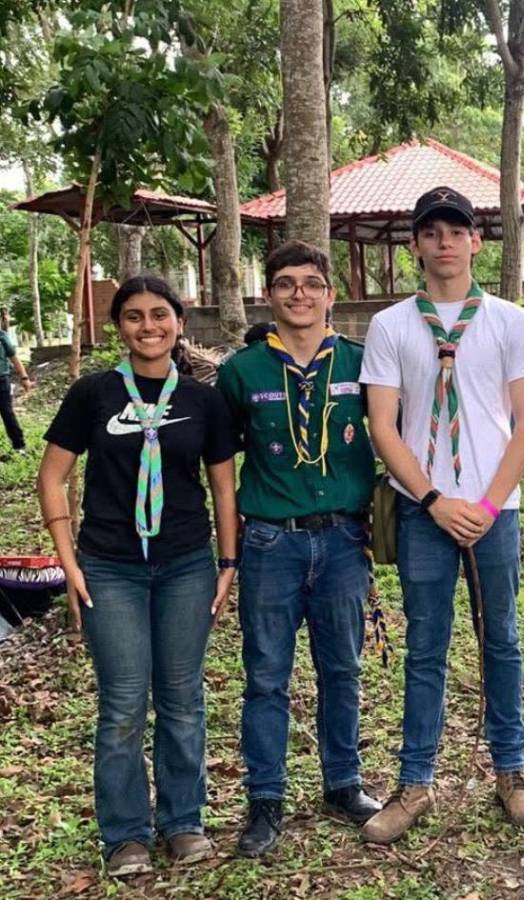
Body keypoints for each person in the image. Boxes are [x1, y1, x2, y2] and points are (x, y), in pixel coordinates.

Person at [360, 186, 524, 843]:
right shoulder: (390, 326)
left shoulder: (509, 322)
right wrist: (436, 501)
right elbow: (383, 427)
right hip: (424, 511)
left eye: (456, 231)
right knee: (425, 646)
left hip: (496, 510)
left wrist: (488, 505)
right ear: (416, 245)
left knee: (502, 638)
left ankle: (512, 771)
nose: (445, 242)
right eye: (432, 232)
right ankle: (415, 783)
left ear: (476, 241)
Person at [36, 276, 238, 877]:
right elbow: (52, 477)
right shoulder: (92, 394)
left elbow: (223, 488)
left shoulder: (203, 400)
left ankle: (183, 821)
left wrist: (228, 563)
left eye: (159, 314)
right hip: (109, 567)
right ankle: (125, 834)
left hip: (185, 565)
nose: (148, 326)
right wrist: (68, 561)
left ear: (179, 322)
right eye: (133, 316)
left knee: (181, 698)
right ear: (118, 327)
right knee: (123, 702)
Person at [216, 240, 381, 858]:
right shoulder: (243, 371)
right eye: (285, 284)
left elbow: (393, 433)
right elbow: (220, 460)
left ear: (330, 294)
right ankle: (265, 799)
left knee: (342, 668)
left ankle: (342, 783)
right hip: (270, 541)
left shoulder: (362, 362)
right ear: (269, 294)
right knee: (266, 676)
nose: (299, 294)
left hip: (343, 538)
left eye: (311, 283)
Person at [0, 325, 34, 456]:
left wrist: (24, 378)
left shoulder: (2, 336)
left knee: (7, 413)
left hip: (1, 381)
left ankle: (19, 446)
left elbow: (14, 358)